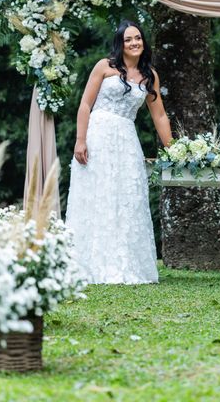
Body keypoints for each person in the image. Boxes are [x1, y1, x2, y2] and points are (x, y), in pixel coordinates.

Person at [65, 20, 172, 284]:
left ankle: (125, 264)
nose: (134, 43)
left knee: (127, 197)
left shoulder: (150, 75)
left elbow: (159, 116)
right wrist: (80, 140)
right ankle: (87, 264)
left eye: (138, 38)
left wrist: (173, 149)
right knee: (97, 194)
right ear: (120, 44)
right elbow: (85, 105)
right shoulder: (105, 66)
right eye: (128, 39)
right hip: (98, 135)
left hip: (126, 138)